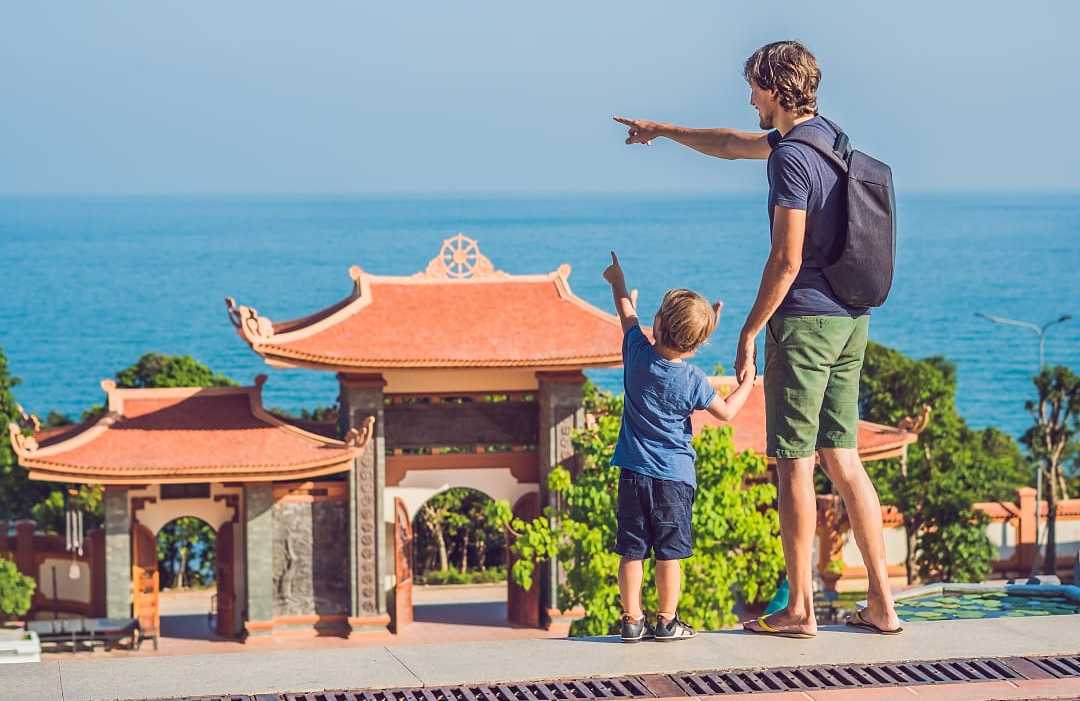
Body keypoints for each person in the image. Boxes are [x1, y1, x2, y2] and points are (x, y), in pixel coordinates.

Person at [613, 40, 902, 638]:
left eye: (753, 87)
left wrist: (749, 329)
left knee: (793, 462)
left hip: (805, 322)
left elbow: (786, 257)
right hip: (852, 317)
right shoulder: (828, 139)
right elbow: (727, 143)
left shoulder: (791, 159)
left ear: (773, 88)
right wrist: (662, 130)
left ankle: (799, 609)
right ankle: (882, 603)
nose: (749, 98)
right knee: (843, 459)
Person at [602, 251, 756, 642]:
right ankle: (666, 620)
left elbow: (625, 311)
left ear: (657, 324)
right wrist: (748, 383)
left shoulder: (636, 352)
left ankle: (631, 620)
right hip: (674, 481)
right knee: (670, 554)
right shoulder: (693, 379)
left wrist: (617, 279)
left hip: (634, 474)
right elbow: (726, 413)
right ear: (697, 345)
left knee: (632, 551)